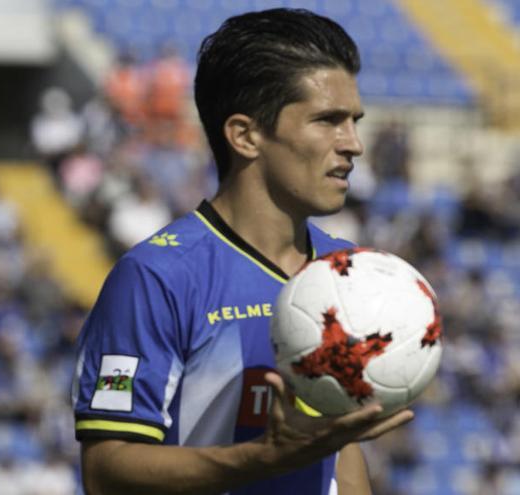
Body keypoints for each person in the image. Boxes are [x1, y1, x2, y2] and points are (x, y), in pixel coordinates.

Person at [72, 9, 414, 495]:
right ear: (245, 134)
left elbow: (339, 450)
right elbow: (106, 472)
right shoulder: (157, 276)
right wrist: (258, 460)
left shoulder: (347, 271)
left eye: (354, 121)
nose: (354, 144)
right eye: (328, 121)